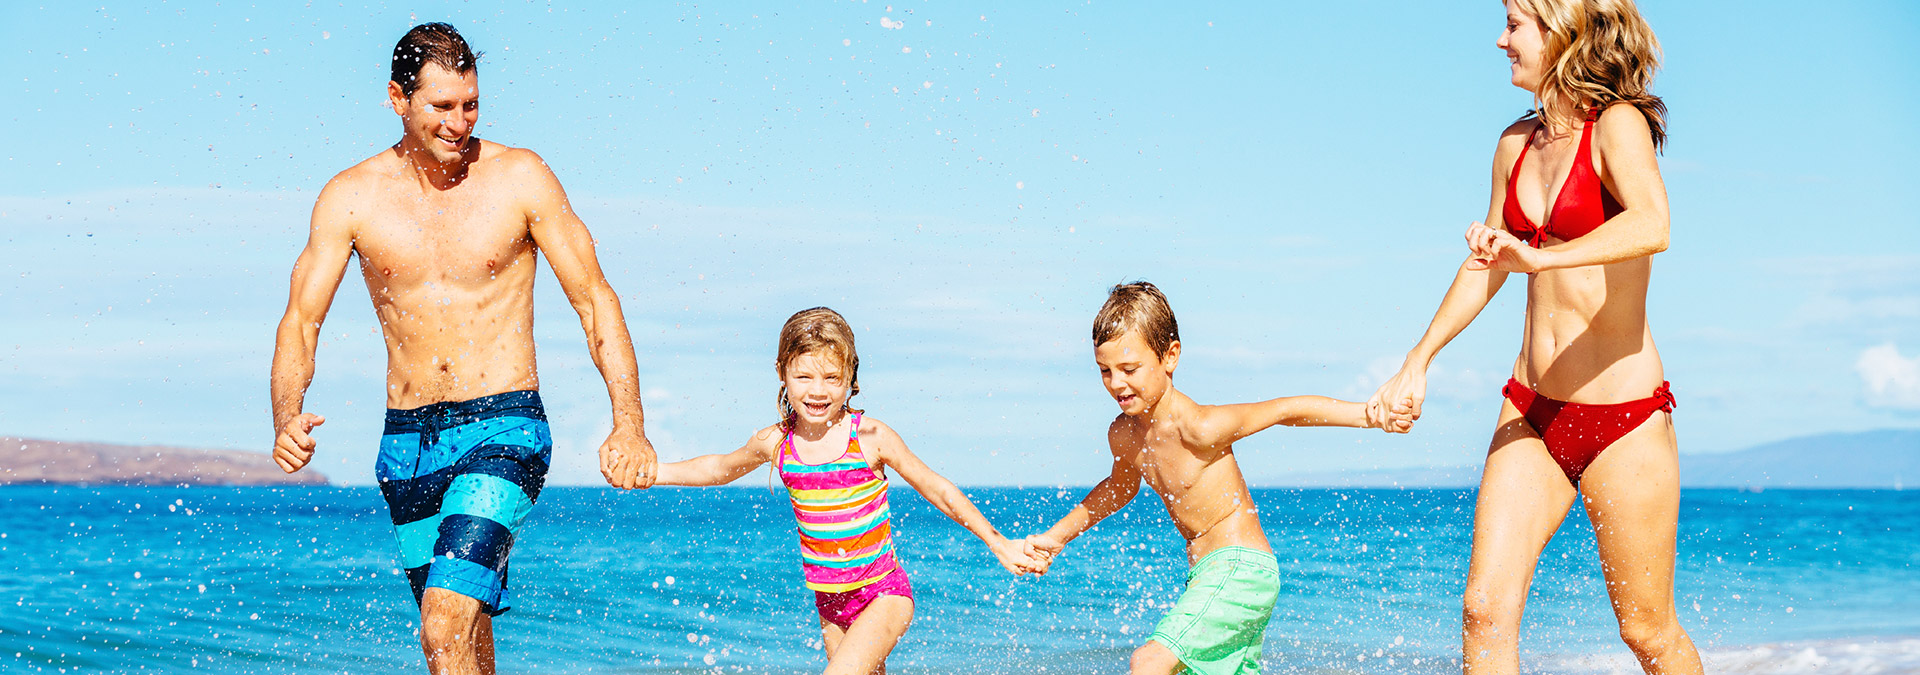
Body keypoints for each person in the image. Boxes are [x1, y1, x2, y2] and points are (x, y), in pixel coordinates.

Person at [267, 22, 659, 675]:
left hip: (507, 427)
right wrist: (287, 414)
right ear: (397, 98)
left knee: (442, 620)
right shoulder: (351, 197)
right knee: (461, 635)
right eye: (441, 107)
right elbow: (301, 320)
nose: (459, 122)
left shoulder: (520, 177)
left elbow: (595, 299)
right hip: (407, 441)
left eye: (470, 105)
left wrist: (631, 422)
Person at [1363, 1, 1702, 673]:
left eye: (1515, 24)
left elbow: (1653, 223)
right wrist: (1417, 359)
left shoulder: (1618, 127)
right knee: (1483, 610)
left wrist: (1539, 257)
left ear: (1563, 30)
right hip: (1531, 408)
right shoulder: (1513, 145)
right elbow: (1488, 263)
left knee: (1647, 631)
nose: (1500, 40)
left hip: (1623, 419)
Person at [1023, 282, 1392, 675]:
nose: (1117, 383)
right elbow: (1119, 487)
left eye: (1129, 369)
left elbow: (1286, 409)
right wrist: (1056, 537)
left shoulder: (1199, 427)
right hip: (1207, 578)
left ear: (1170, 356)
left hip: (1239, 569)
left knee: (1149, 662)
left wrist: (1368, 415)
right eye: (1105, 371)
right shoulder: (1124, 434)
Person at [649, 307, 1038, 675]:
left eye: (831, 378)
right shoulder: (776, 442)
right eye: (804, 377)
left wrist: (997, 542)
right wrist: (655, 472)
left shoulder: (869, 437)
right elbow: (720, 467)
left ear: (851, 376)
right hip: (831, 604)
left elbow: (936, 488)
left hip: (883, 594)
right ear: (782, 373)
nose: (818, 391)